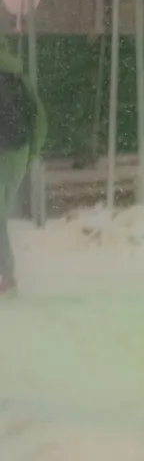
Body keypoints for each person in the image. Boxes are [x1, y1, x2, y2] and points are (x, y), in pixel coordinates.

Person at [0, 45, 46, 297]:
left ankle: (8, 277)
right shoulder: (18, 75)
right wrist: (31, 154)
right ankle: (7, 276)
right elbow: (39, 118)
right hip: (17, 153)